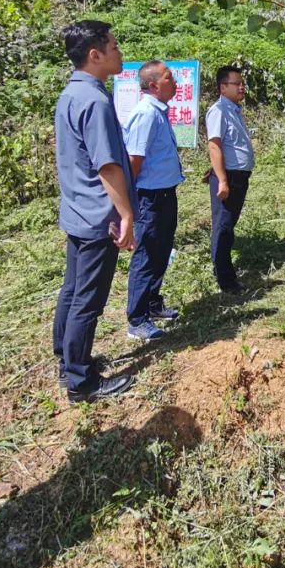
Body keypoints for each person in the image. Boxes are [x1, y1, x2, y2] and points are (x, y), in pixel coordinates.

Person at [53, 20, 135, 404]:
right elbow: (108, 167)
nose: (120, 53)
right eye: (115, 47)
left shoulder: (71, 94)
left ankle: (66, 359)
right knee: (87, 299)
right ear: (95, 54)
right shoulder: (95, 102)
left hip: (76, 210)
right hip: (96, 216)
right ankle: (81, 381)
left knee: (71, 291)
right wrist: (126, 215)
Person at [123, 60, 184, 341]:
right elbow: (134, 161)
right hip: (149, 197)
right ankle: (137, 319)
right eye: (170, 78)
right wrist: (129, 204)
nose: (176, 83)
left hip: (164, 193)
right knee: (147, 255)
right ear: (154, 85)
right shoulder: (146, 114)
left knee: (161, 250)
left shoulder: (159, 111)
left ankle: (152, 303)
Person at [206, 65, 254, 293]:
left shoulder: (233, 109)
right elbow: (214, 145)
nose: (242, 88)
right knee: (223, 227)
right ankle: (225, 279)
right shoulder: (219, 111)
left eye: (242, 83)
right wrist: (222, 180)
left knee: (228, 225)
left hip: (238, 176)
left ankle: (222, 268)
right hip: (229, 177)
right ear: (223, 87)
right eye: (237, 84)